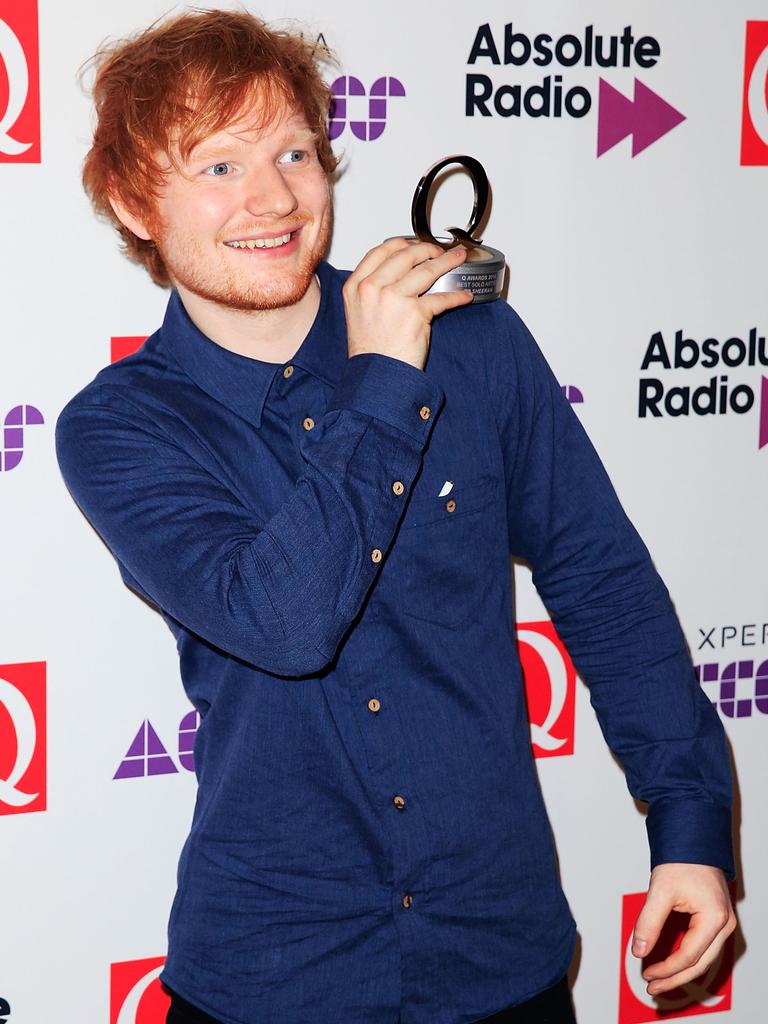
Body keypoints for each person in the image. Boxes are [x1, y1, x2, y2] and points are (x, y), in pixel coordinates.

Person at [56, 10, 736, 1024]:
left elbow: (600, 575)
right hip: (273, 976)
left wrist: (689, 823)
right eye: (219, 166)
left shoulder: (477, 344)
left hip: (501, 957)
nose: (274, 197)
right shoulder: (121, 427)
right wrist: (382, 378)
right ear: (132, 201)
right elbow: (289, 622)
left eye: (294, 151)